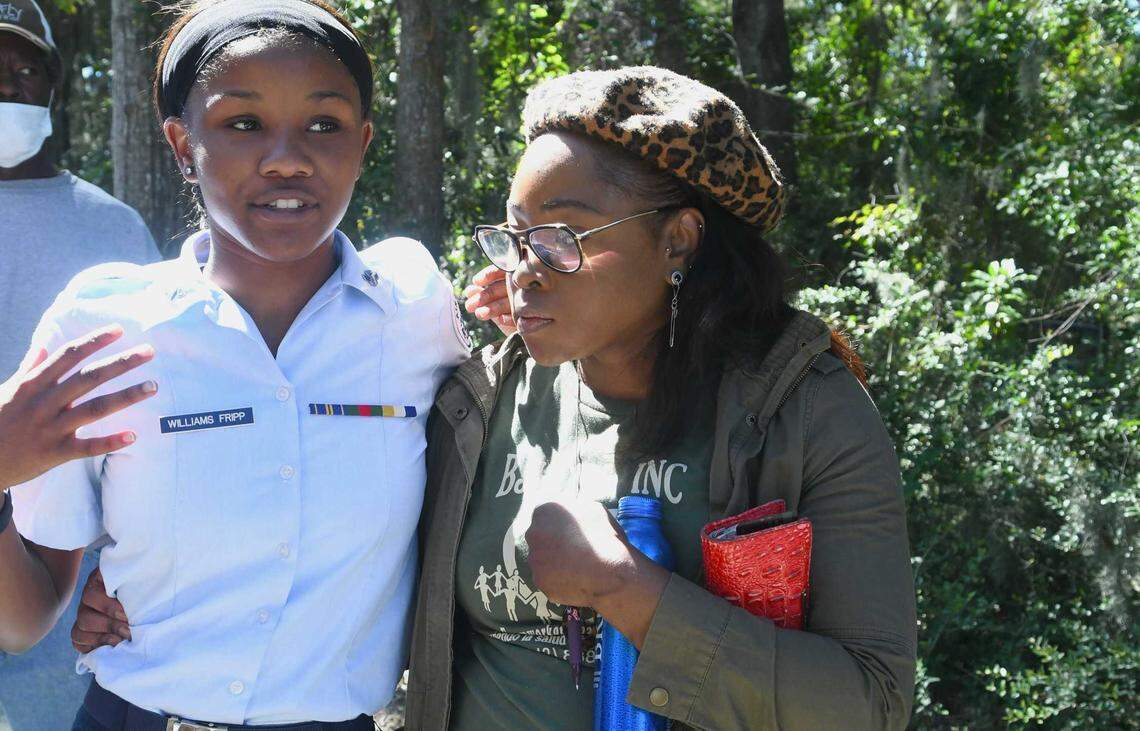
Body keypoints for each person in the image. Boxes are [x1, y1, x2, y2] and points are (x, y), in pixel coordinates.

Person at [75, 68, 918, 729]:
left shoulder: (801, 411)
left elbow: (871, 703)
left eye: (560, 238)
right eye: (514, 236)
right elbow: (338, 524)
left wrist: (629, 592)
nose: (524, 267)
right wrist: (155, 590)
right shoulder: (484, 398)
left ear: (680, 240)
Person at [0, 1, 468, 729]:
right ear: (183, 146)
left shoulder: (413, 308)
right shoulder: (102, 326)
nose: (287, 156)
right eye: (243, 123)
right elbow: (25, 618)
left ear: (364, 142)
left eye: (325, 123)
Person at [0, 3, 160, 727]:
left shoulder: (112, 228)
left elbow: (163, 416)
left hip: (72, 613)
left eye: (22, 68)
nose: (5, 86)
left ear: (53, 88)